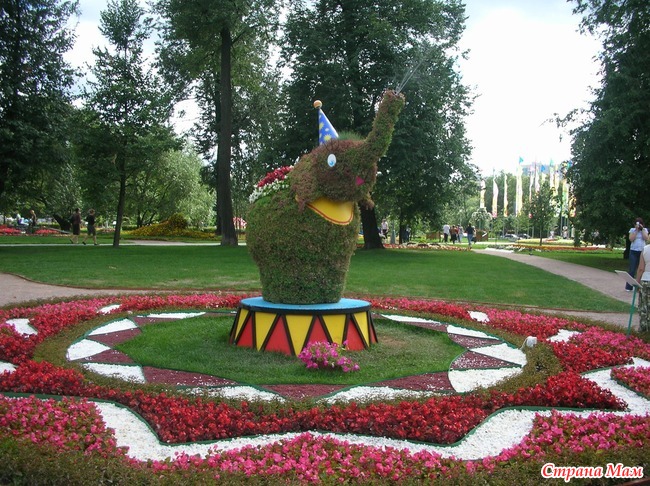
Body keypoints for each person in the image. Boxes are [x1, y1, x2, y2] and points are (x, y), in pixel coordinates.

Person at [626, 217, 648, 290]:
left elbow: (646, 238)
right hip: (633, 251)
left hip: (642, 252)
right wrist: (636, 230)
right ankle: (629, 287)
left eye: (640, 223)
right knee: (632, 269)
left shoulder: (645, 230)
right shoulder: (632, 230)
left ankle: (639, 287)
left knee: (641, 269)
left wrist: (642, 229)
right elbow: (631, 239)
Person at [635, 241, 650, 331]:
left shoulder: (645, 249)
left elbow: (641, 268)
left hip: (646, 280)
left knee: (644, 305)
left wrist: (637, 281)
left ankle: (644, 328)